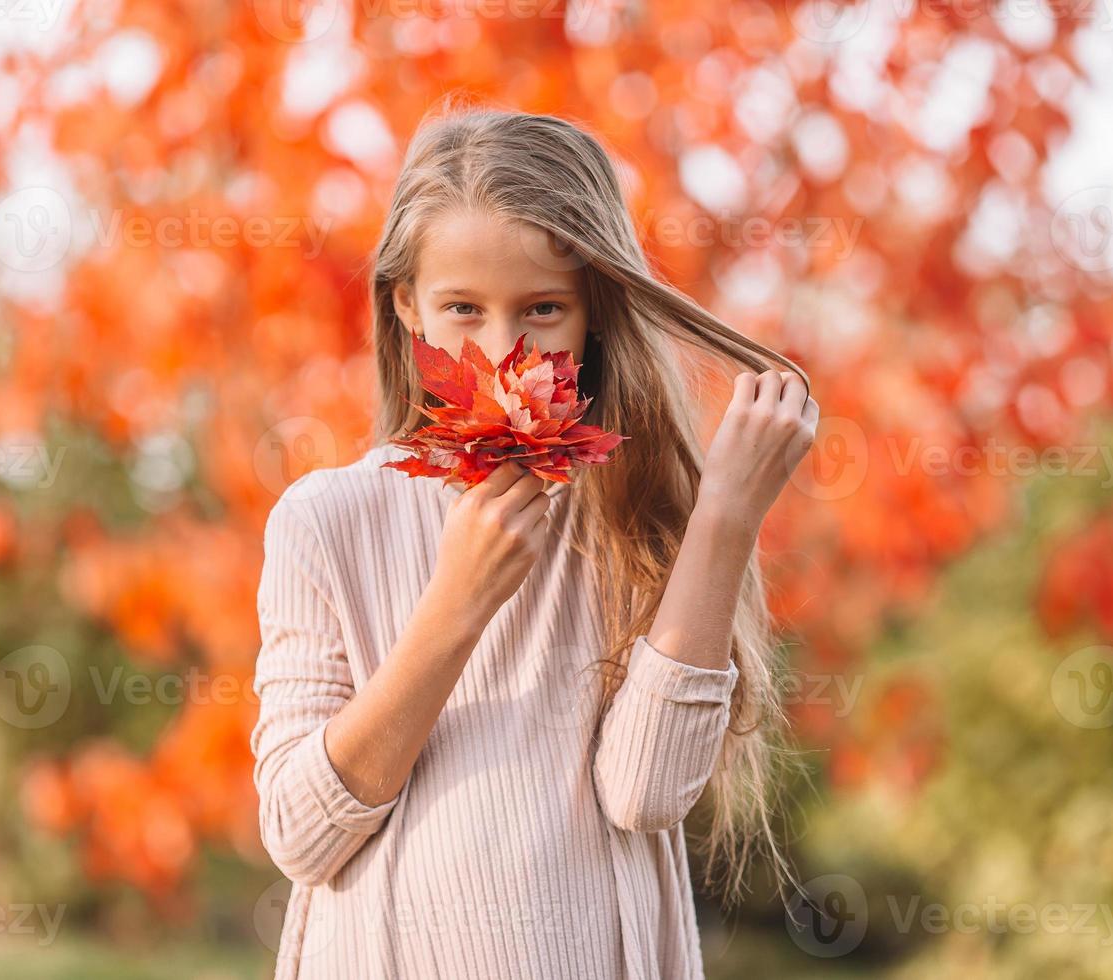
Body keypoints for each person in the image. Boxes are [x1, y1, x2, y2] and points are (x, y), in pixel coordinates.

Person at [250, 97, 819, 980]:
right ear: (407, 307)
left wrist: (727, 517)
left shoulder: (639, 507)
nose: (504, 352)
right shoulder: (325, 521)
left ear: (597, 310)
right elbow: (301, 832)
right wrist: (454, 607)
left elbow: (646, 790)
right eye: (463, 309)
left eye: (544, 310)